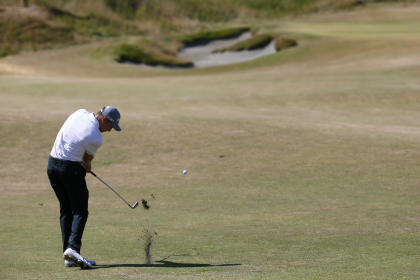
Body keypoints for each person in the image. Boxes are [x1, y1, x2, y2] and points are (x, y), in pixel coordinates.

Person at [47, 106, 121, 268]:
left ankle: (68, 255)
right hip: (69, 170)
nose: (109, 131)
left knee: (66, 209)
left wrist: (82, 162)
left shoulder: (79, 112)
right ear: (103, 120)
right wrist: (87, 166)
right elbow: (86, 161)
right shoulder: (95, 137)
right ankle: (73, 249)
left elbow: (73, 139)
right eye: (110, 126)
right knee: (80, 210)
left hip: (52, 166)